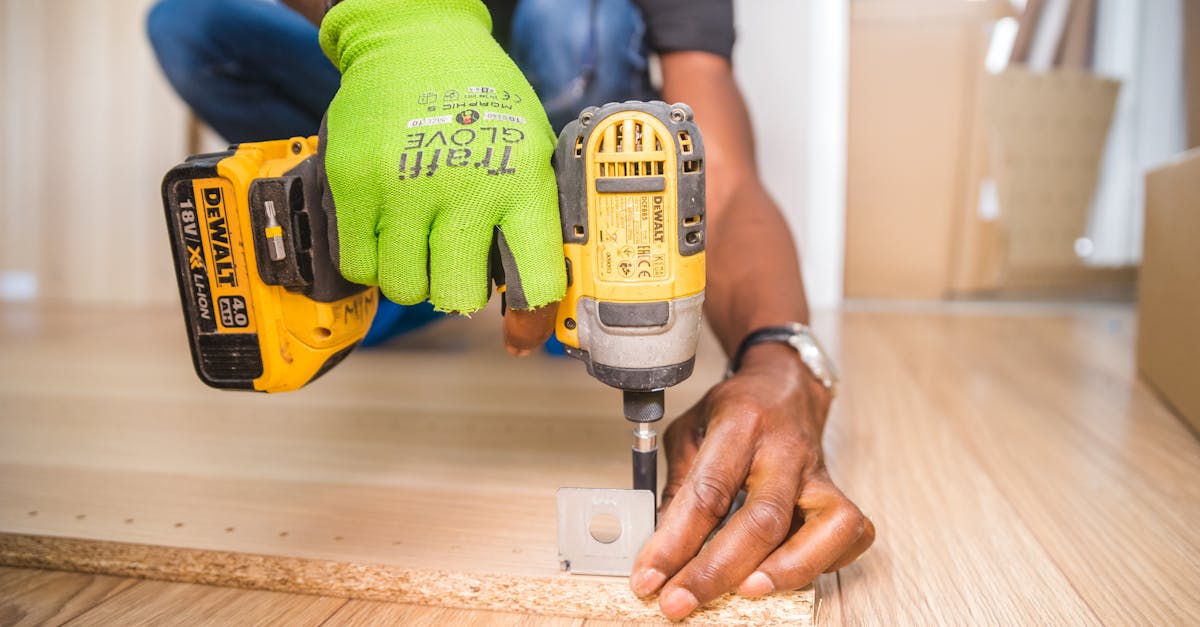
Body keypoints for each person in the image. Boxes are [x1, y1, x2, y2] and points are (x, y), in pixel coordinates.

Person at [146, 0, 874, 619]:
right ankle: (409, 247)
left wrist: (781, 355)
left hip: (558, 102)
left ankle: (547, 257)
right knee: (194, 22)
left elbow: (725, 179)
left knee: (568, 17)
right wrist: (397, 24)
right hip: (403, 72)